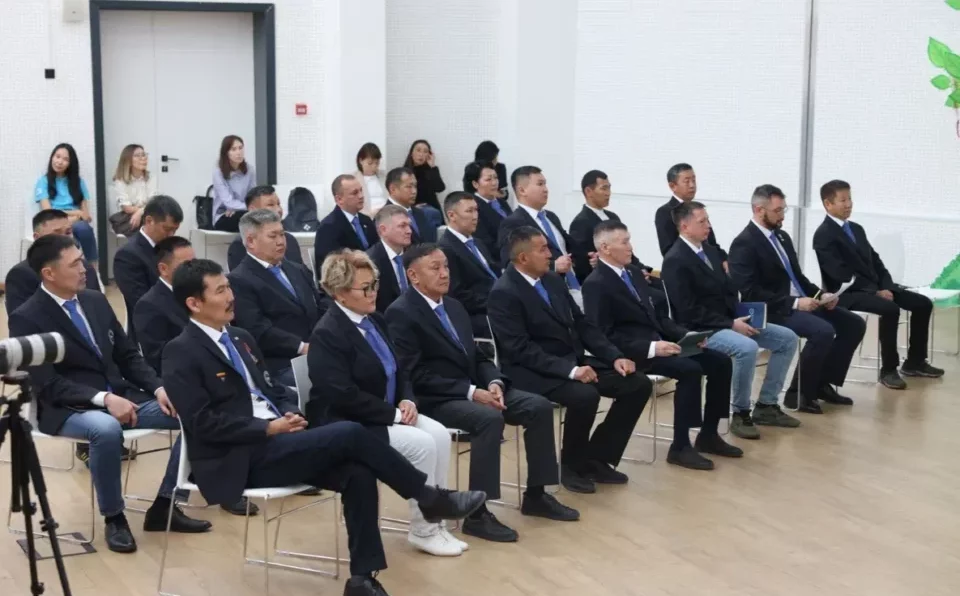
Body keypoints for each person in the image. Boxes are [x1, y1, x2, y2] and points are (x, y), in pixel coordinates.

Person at [162, 258, 485, 596]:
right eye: (220, 291)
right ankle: (428, 497)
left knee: (358, 473)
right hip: (238, 458)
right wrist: (267, 429)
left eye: (229, 287)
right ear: (194, 303)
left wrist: (290, 414)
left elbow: (272, 390)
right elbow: (201, 424)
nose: (231, 297)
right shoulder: (180, 352)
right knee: (350, 432)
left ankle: (362, 580)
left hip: (280, 442)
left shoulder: (240, 338)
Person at [8, 235, 211, 554]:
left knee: (194, 410)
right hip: (67, 408)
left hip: (121, 397)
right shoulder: (27, 316)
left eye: (83, 260)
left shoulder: (95, 301)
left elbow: (128, 355)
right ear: (49, 273)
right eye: (76, 263)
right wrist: (103, 399)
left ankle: (166, 504)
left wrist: (159, 388)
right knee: (105, 429)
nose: (85, 268)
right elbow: (49, 384)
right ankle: (115, 518)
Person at [386, 244, 579, 544]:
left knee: (538, 407)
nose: (444, 273)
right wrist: (471, 391)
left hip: (475, 389)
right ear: (413, 275)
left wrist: (494, 382)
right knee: (488, 419)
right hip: (437, 398)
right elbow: (413, 374)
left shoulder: (454, 306)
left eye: (446, 266)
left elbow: (476, 356)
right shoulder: (401, 313)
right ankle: (477, 514)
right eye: (435, 268)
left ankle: (537, 495)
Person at [306, 250, 468, 557]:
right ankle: (424, 530)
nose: (373, 293)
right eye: (365, 288)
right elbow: (343, 395)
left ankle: (437, 523)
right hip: (349, 422)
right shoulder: (328, 334)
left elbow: (400, 368)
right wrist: (393, 413)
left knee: (439, 435)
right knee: (422, 444)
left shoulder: (375, 320)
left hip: (386, 411)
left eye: (375, 284)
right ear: (340, 293)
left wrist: (406, 398)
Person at [488, 226, 651, 493]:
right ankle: (571, 465)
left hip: (569, 361)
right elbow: (520, 350)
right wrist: (571, 371)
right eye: (543, 249)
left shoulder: (552, 280)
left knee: (637, 384)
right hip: (531, 371)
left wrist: (614, 356)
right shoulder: (504, 292)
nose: (550, 254)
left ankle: (597, 458)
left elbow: (582, 324)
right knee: (584, 395)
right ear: (523, 258)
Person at [582, 221, 739, 470]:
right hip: (632, 353)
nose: (630, 247)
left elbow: (658, 318)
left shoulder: (633, 273)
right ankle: (680, 446)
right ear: (605, 247)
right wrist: (652, 348)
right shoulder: (595, 284)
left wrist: (687, 334)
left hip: (659, 343)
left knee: (719, 361)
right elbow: (603, 335)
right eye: (624, 242)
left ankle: (709, 434)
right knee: (689, 369)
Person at [660, 201, 800, 440]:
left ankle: (766, 405)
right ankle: (741, 412)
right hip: (701, 329)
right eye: (702, 221)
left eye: (708, 220)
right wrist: (730, 324)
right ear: (684, 226)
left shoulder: (710, 251)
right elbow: (688, 311)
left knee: (787, 339)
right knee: (747, 348)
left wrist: (740, 316)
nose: (708, 225)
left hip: (728, 320)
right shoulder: (675, 260)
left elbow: (728, 291)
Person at [729, 184, 866, 412]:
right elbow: (750, 291)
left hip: (799, 303)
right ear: (758, 210)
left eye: (784, 209)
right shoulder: (744, 243)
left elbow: (798, 278)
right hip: (773, 309)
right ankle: (798, 393)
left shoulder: (781, 237)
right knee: (822, 331)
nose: (782, 215)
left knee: (853, 324)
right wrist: (795, 303)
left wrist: (821, 294)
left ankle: (821, 383)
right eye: (777, 211)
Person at [813, 180, 943, 389]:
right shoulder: (823, 235)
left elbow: (876, 261)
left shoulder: (856, 229)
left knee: (923, 304)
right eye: (843, 200)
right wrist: (875, 292)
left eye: (850, 199)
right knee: (890, 309)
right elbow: (840, 275)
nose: (849, 204)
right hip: (847, 293)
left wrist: (887, 286)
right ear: (828, 204)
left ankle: (915, 362)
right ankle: (888, 369)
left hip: (876, 287)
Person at [229, 210, 326, 388]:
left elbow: (319, 307)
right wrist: (302, 347)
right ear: (250, 241)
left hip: (317, 351)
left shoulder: (297, 270)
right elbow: (257, 330)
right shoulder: (239, 280)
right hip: (281, 364)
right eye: (272, 236)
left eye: (282, 234)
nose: (281, 241)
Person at [496, 166, 582, 307]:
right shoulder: (513, 223)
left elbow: (567, 247)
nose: (546, 189)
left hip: (574, 286)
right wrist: (554, 266)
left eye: (545, 184)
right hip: (547, 292)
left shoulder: (551, 217)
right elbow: (510, 263)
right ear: (522, 190)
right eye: (540, 184)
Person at [113, 195, 183, 346]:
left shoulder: (174, 248)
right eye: (167, 229)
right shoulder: (127, 255)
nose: (171, 235)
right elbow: (142, 303)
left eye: (175, 230)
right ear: (149, 221)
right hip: (151, 335)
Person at [568, 170, 657, 287]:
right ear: (588, 191)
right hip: (609, 282)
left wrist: (644, 269)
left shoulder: (613, 217)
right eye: (603, 188)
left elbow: (628, 253)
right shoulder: (580, 223)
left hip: (630, 273)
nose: (608, 193)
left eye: (609, 188)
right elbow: (582, 262)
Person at [5, 209, 102, 316]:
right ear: (37, 238)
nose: (64, 239)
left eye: (68, 233)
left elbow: (100, 313)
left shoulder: (86, 268)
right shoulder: (21, 274)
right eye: (56, 234)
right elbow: (20, 320)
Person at [438, 191, 500, 338]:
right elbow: (457, 295)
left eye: (476, 210)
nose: (475, 216)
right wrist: (497, 302)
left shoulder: (478, 242)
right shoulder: (445, 249)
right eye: (469, 211)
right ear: (452, 215)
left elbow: (494, 274)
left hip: (498, 302)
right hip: (479, 313)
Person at [133, 236, 195, 376]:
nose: (193, 270)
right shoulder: (148, 306)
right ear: (163, 269)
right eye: (186, 265)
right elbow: (159, 358)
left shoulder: (198, 291)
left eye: (194, 262)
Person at [655, 163, 728, 272]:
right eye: (687, 181)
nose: (692, 185)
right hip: (689, 270)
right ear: (672, 186)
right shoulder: (665, 212)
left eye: (694, 180)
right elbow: (668, 249)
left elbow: (711, 243)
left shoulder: (697, 209)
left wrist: (724, 259)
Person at [34, 143, 98, 266]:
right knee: (66, 235)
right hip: (54, 221)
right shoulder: (43, 181)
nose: (59, 162)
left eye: (65, 159)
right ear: (52, 157)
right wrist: (76, 213)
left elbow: (86, 216)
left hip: (75, 223)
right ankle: (71, 265)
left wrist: (78, 216)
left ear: (70, 163)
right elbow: (48, 212)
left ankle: (93, 269)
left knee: (84, 229)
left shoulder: (78, 182)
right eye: (57, 156)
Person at [227, 185, 303, 271]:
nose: (278, 209)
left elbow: (301, 273)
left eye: (278, 204)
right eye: (270, 205)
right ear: (253, 210)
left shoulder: (290, 240)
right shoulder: (240, 245)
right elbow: (241, 277)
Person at [313, 174, 379, 273]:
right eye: (354, 193)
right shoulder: (328, 227)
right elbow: (328, 267)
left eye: (361, 190)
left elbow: (377, 251)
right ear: (339, 199)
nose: (361, 196)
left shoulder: (366, 220)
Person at [365, 205, 413, 313]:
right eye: (402, 226)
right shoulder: (370, 262)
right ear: (383, 230)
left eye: (409, 225)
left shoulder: (414, 255)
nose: (409, 231)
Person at [463, 160, 511, 267]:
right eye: (488, 179)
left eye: (496, 178)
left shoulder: (502, 202)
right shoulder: (473, 207)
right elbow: (485, 244)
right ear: (475, 184)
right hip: (498, 261)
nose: (494, 183)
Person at [110, 143, 157, 234]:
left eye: (143, 155)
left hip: (148, 214)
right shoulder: (120, 180)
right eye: (137, 156)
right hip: (129, 216)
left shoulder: (151, 177)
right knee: (148, 226)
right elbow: (127, 208)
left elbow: (153, 202)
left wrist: (139, 212)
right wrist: (142, 211)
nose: (143, 158)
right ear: (128, 160)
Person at [211, 134, 256, 232]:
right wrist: (250, 208)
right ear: (226, 153)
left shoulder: (250, 170)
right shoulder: (218, 173)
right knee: (250, 220)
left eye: (240, 148)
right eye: (233, 149)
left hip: (244, 211)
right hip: (224, 214)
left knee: (262, 217)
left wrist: (251, 207)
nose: (238, 152)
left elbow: (252, 196)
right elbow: (228, 202)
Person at [385, 167, 437, 243]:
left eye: (415, 186)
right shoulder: (385, 217)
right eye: (409, 187)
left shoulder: (419, 213)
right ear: (393, 189)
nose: (414, 191)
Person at [403, 139, 446, 229]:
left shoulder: (430, 170)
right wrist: (413, 207)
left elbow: (440, 188)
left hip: (434, 211)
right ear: (411, 153)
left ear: (429, 155)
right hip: (414, 213)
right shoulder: (404, 172)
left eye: (425, 151)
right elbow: (400, 195)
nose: (421, 154)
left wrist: (432, 166)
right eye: (418, 150)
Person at [355, 142, 388, 216]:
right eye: (370, 163)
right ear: (361, 161)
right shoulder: (353, 178)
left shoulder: (385, 176)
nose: (374, 167)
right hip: (366, 215)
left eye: (377, 163)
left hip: (387, 213)